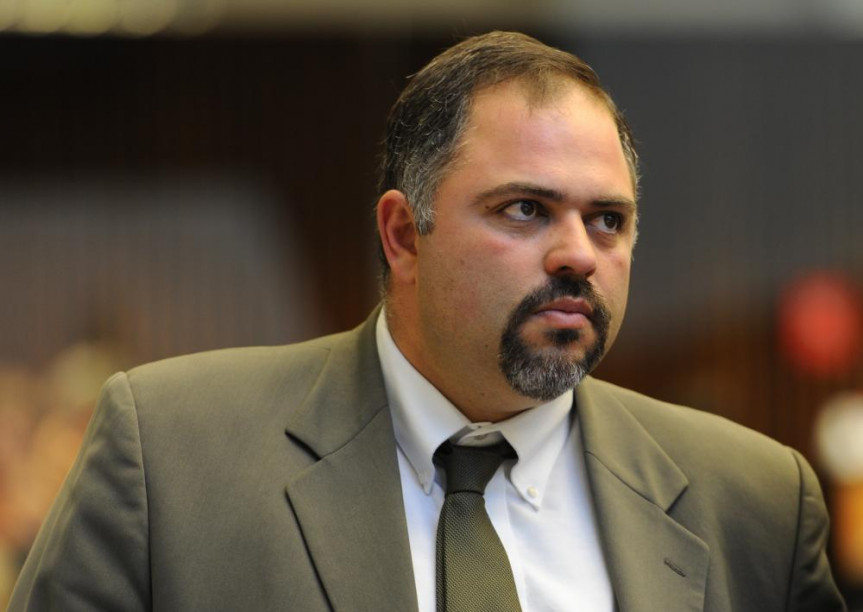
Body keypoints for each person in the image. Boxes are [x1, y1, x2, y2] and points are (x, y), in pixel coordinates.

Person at [9, 31, 845, 611]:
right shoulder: (171, 458)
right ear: (404, 236)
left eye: (607, 220)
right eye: (525, 209)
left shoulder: (753, 503)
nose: (578, 255)